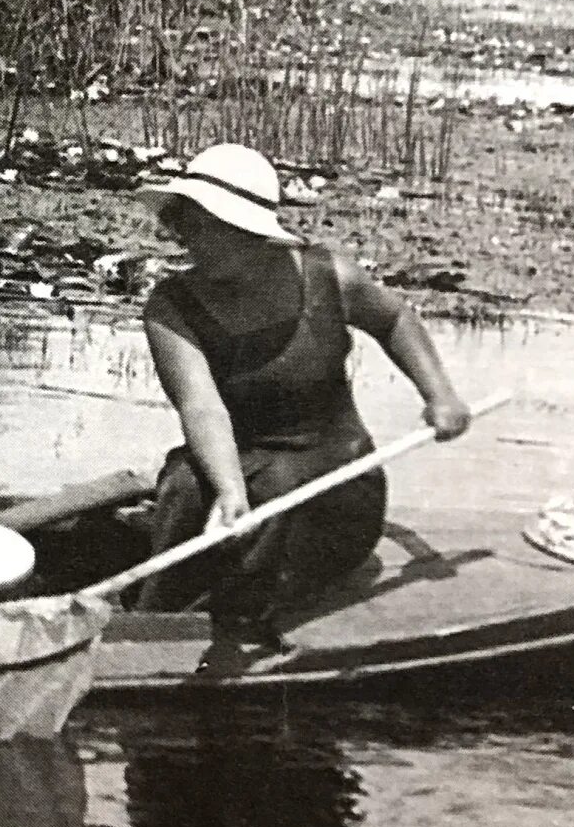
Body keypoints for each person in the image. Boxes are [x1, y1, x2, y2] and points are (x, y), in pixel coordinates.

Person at [132, 143, 474, 657]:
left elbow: (394, 319)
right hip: (240, 458)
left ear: (248, 233)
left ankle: (237, 623)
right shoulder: (171, 307)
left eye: (205, 225)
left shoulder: (328, 276)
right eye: (186, 221)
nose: (188, 237)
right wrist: (228, 492)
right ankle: (153, 623)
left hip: (336, 472)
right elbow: (202, 407)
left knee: (276, 494)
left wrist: (440, 395)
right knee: (183, 486)